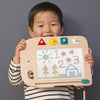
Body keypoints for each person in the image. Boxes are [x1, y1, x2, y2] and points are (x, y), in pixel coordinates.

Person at [8, 1, 94, 100]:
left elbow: (80, 85)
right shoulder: (28, 53)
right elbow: (14, 80)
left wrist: (87, 67)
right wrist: (17, 58)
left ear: (61, 29)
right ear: (31, 32)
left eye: (53, 24)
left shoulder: (68, 53)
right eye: (40, 26)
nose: (47, 29)